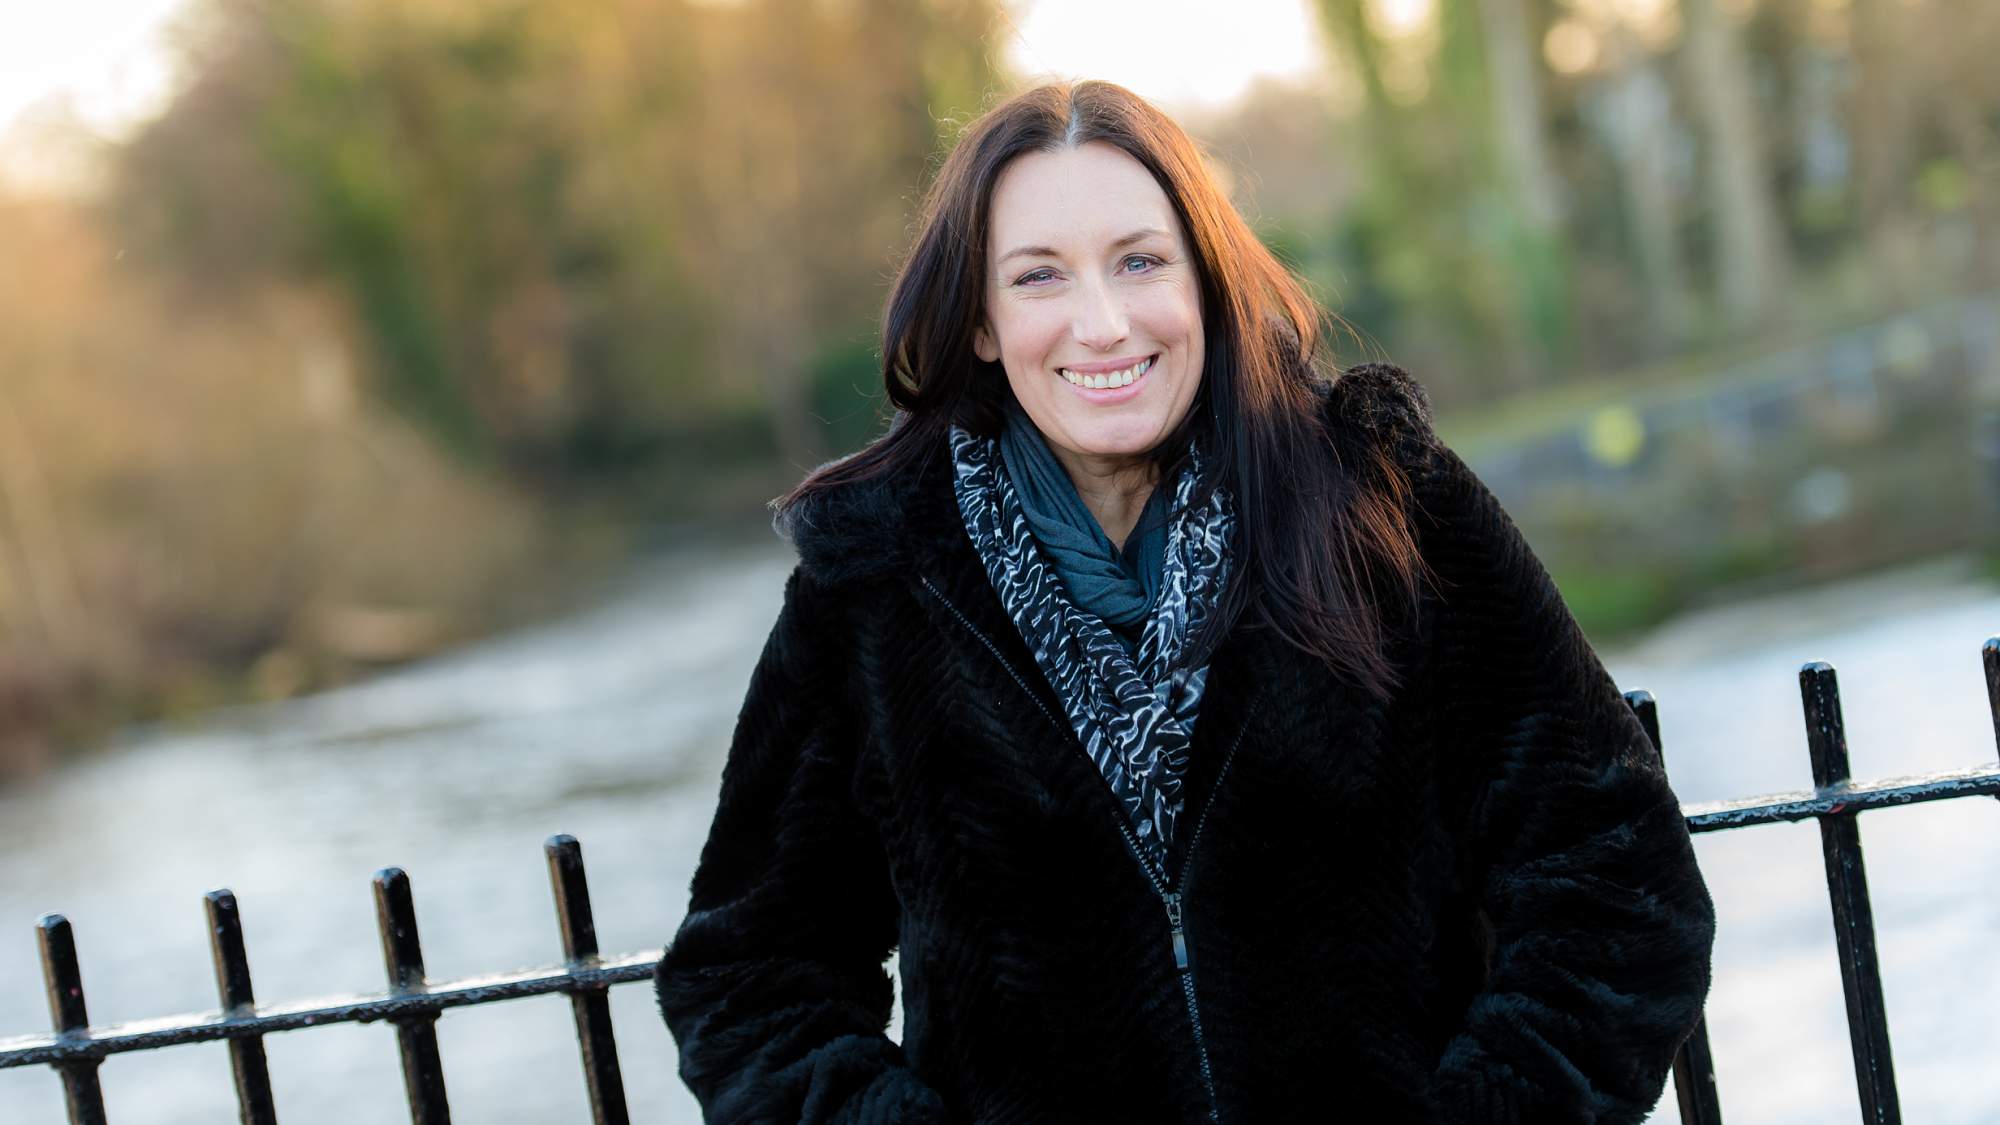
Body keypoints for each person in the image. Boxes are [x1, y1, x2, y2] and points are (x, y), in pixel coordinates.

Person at [655, 80, 1715, 1124]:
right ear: (979, 323)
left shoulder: (1379, 503)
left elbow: (1617, 880)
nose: (1103, 324)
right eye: (1037, 279)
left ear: (1204, 279)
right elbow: (748, 978)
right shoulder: (877, 576)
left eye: (1139, 262)